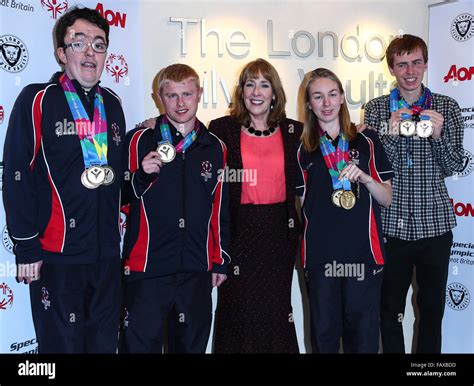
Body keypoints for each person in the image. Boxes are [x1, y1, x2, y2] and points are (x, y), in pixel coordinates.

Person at [3, 6, 125, 353]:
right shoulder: (37, 99)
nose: (90, 51)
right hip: (57, 258)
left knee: (103, 347)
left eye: (99, 44)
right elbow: (16, 175)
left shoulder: (113, 104)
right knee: (60, 350)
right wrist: (26, 247)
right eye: (79, 42)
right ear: (61, 52)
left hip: (105, 258)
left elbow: (115, 178)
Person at [363, 34, 465, 353]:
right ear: (392, 68)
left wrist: (436, 135)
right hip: (391, 227)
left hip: (435, 226)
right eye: (402, 64)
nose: (410, 70)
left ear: (425, 64)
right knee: (390, 312)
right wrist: (391, 132)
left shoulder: (446, 106)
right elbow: (374, 166)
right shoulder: (377, 109)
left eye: (416, 62)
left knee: (432, 313)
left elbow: (453, 165)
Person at [119, 64, 229, 353]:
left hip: (196, 269)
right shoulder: (138, 140)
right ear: (159, 97)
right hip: (147, 269)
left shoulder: (215, 147)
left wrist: (219, 260)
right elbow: (117, 200)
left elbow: (220, 208)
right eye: (171, 95)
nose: (180, 103)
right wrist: (140, 177)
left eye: (187, 94)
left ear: (200, 94)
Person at [296, 68, 393, 353]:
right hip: (320, 258)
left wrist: (365, 178)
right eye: (318, 96)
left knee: (362, 341)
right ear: (310, 104)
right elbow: (302, 206)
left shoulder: (368, 141)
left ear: (342, 99)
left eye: (332, 94)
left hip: (364, 255)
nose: (326, 103)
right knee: (324, 339)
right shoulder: (302, 148)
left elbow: (386, 198)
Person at [208, 58, 302, 353]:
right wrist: (152, 126)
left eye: (264, 84)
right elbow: (188, 139)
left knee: (276, 311)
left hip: (280, 233)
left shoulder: (294, 132)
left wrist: (357, 131)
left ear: (274, 93)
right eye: (250, 84)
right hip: (238, 233)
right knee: (237, 310)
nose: (257, 91)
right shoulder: (221, 129)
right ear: (242, 91)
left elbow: (331, 140)